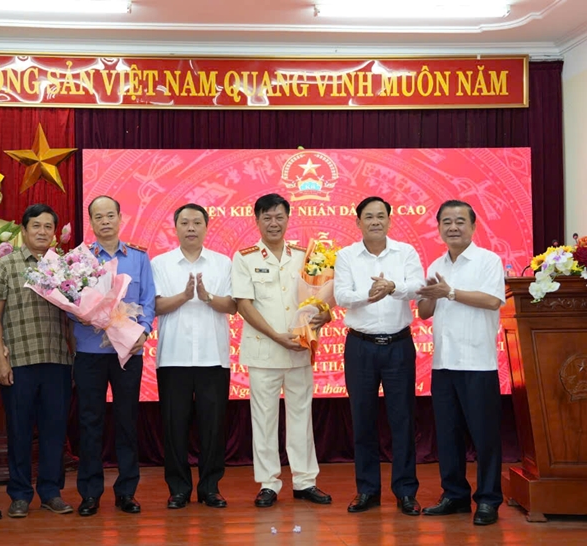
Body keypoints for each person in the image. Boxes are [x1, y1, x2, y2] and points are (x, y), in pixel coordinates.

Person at [232, 193, 332, 508]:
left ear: (288, 219)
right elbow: (244, 305)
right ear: (257, 221)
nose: (273, 223)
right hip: (264, 351)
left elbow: (320, 297)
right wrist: (276, 336)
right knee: (263, 419)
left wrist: (325, 314)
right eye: (267, 218)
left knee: (301, 416)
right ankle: (268, 484)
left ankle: (305, 481)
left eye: (279, 217)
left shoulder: (305, 256)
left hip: (299, 350)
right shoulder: (245, 258)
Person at [333, 196, 425, 516]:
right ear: (358, 222)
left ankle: (406, 491)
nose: (375, 221)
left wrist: (393, 287)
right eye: (369, 216)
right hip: (360, 346)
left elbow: (418, 287)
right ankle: (367, 490)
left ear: (389, 220)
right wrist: (370, 294)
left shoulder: (405, 252)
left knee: (403, 420)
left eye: (381, 216)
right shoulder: (346, 255)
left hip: (399, 345)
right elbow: (341, 295)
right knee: (362, 420)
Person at [417, 199, 506, 527]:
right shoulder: (436, 264)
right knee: (448, 435)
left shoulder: (488, 260)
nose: (453, 227)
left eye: (459, 222)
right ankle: (454, 495)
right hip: (444, 363)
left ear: (473, 226)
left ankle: (488, 500)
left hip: (478, 363)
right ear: (439, 228)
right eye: (447, 222)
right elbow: (424, 313)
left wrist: (450, 292)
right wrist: (430, 295)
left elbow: (492, 300)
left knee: (485, 437)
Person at [0, 204, 74, 518]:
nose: (42, 231)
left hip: (57, 360)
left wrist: (74, 358)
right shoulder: (7, 265)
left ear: (54, 232)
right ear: (23, 230)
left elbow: (75, 312)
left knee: (54, 432)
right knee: (19, 432)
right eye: (35, 225)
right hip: (19, 362)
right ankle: (20, 494)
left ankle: (51, 492)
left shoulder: (64, 267)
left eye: (48, 226)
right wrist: (0, 359)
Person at [72, 196, 156, 517]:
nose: (105, 221)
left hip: (128, 351)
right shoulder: (80, 258)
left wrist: (144, 332)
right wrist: (79, 313)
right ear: (91, 222)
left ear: (121, 218)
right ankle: (90, 493)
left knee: (126, 421)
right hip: (89, 351)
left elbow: (148, 300)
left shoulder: (138, 257)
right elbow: (67, 296)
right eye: (98, 217)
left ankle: (126, 492)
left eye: (110, 215)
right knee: (90, 422)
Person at [151, 204, 236, 510]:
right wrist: (185, 297)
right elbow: (155, 306)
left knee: (213, 426)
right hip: (173, 357)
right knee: (174, 426)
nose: (190, 228)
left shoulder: (223, 263)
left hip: (213, 357)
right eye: (184, 222)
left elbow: (233, 306)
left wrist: (207, 296)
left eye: (197, 222)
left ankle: (210, 488)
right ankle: (178, 489)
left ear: (206, 227)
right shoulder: (160, 263)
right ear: (175, 228)